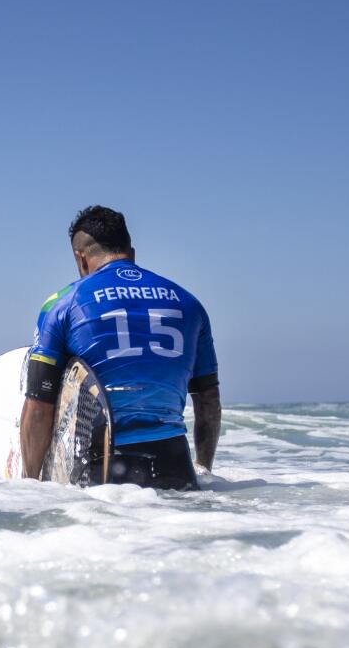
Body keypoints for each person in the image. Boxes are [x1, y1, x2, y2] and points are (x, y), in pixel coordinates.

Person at [17, 206, 220, 489]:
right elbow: (208, 399)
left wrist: (29, 485)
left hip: (104, 469)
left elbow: (39, 404)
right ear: (131, 252)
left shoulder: (62, 303)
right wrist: (204, 470)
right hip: (176, 463)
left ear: (81, 257)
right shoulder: (189, 303)